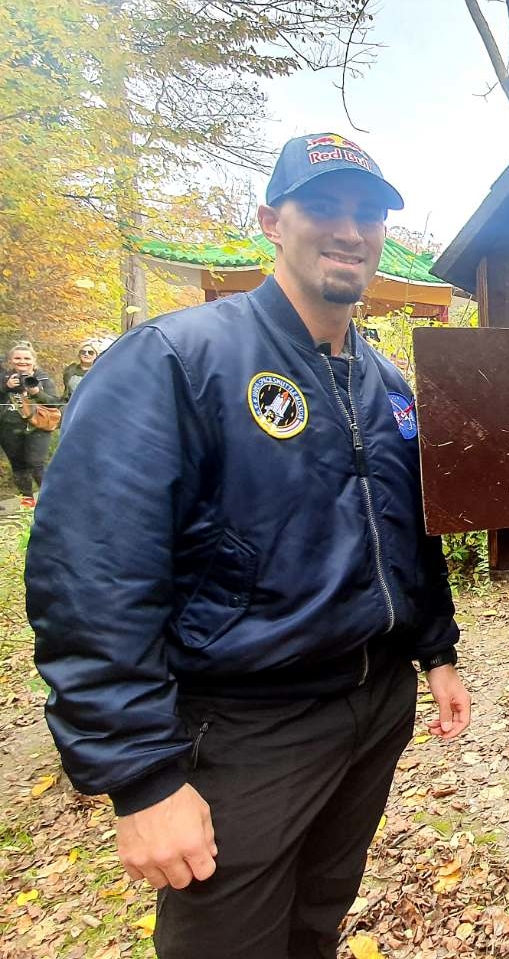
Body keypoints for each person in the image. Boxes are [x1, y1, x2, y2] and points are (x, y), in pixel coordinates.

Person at [27, 133, 471, 958]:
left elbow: (408, 534)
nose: (350, 231)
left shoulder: (387, 384)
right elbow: (89, 574)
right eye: (324, 207)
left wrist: (435, 650)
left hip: (372, 709)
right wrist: (142, 777)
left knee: (316, 921)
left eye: (368, 214)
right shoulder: (174, 360)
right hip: (243, 726)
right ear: (272, 220)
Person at [0, 342, 58, 506]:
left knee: (35, 462)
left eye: (26, 358)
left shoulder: (43, 378)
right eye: (17, 358)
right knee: (18, 463)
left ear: (34, 360)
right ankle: (26, 498)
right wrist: (5, 386)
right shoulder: (4, 377)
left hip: (37, 427)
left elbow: (54, 403)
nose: (22, 361)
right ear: (11, 361)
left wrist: (36, 392)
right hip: (8, 427)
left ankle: (50, 498)